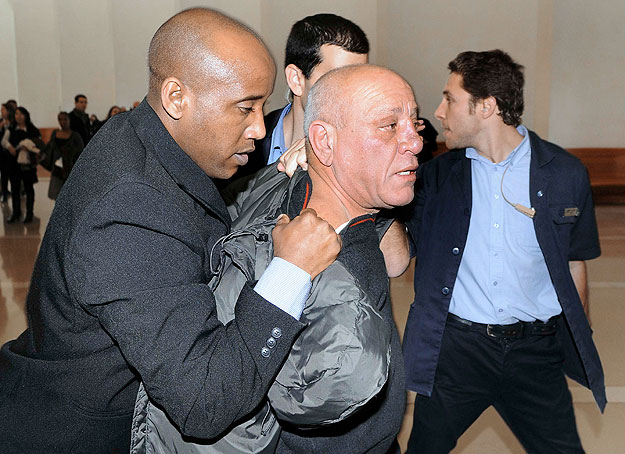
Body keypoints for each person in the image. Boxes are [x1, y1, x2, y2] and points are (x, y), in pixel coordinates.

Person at [0, 8, 341, 453]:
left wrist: (274, 177)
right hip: (83, 432)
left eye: (262, 106)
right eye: (245, 107)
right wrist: (291, 272)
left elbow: (199, 215)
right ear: (177, 97)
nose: (260, 127)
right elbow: (203, 401)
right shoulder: (130, 206)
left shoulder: (141, 136)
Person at [133, 63, 421, 454]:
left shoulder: (283, 181)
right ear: (323, 141)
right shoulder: (336, 267)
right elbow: (317, 395)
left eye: (414, 124)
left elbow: (396, 260)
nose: (415, 142)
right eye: (389, 126)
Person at [403, 49, 606, 454]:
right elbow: (398, 252)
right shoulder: (434, 178)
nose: (439, 111)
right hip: (457, 353)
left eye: (450, 99)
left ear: (487, 106)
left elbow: (574, 261)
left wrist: (574, 335)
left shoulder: (565, 173)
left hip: (536, 353)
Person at [232, 13, 369, 180]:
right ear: (296, 80)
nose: (352, 96)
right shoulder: (242, 146)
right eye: (336, 80)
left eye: (360, 81)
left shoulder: (367, 150)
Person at [1, 106, 42, 223]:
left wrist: (28, 147)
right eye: (16, 114)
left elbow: (38, 144)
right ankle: (16, 212)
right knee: (15, 188)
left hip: (28, 163)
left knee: (29, 188)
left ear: (26, 116)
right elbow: (4, 141)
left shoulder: (32, 130)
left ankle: (29, 213)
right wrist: (9, 147)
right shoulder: (11, 129)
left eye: (21, 114)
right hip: (14, 163)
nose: (18, 116)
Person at [39, 111, 84, 199]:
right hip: (57, 167)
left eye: (65, 119)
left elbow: (81, 151)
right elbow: (49, 147)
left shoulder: (75, 135)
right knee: (57, 192)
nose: (63, 122)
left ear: (69, 120)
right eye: (60, 119)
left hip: (70, 167)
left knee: (70, 193)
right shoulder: (55, 134)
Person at [0, 103, 15, 203]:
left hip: (12, 153)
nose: (1, 112)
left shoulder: (14, 123)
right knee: (3, 175)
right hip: (2, 153)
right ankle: (4, 193)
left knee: (13, 175)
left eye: (3, 110)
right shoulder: (1, 122)